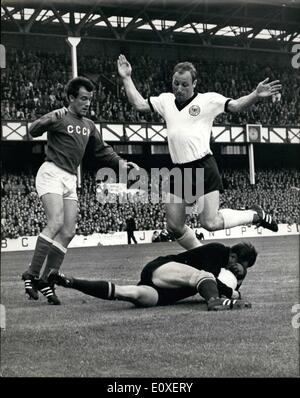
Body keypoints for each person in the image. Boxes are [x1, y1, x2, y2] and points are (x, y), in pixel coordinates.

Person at [117, 55, 281, 250]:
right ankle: (201, 253)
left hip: (202, 165)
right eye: (175, 84)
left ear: (194, 83)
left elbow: (236, 106)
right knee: (174, 226)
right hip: (179, 170)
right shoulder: (165, 100)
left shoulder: (207, 100)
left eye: (184, 84)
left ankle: (255, 215)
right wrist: (126, 78)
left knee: (209, 223)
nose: (179, 88)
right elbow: (140, 104)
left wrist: (255, 94)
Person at [22, 76, 139, 305]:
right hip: (51, 172)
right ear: (71, 98)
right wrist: (47, 118)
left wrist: (122, 164)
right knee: (55, 223)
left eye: (90, 100)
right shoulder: (60, 116)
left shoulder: (89, 125)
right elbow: (32, 131)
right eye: (83, 99)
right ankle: (32, 274)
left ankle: (47, 279)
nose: (87, 103)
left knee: (68, 231)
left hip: (69, 177)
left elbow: (103, 151)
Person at [48, 241, 257, 311]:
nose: (237, 270)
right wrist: (231, 293)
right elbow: (209, 278)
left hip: (164, 292)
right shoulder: (219, 251)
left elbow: (216, 281)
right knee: (202, 276)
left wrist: (237, 284)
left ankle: (69, 281)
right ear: (233, 256)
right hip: (163, 267)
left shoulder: (225, 268)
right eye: (239, 265)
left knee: (127, 292)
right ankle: (215, 302)